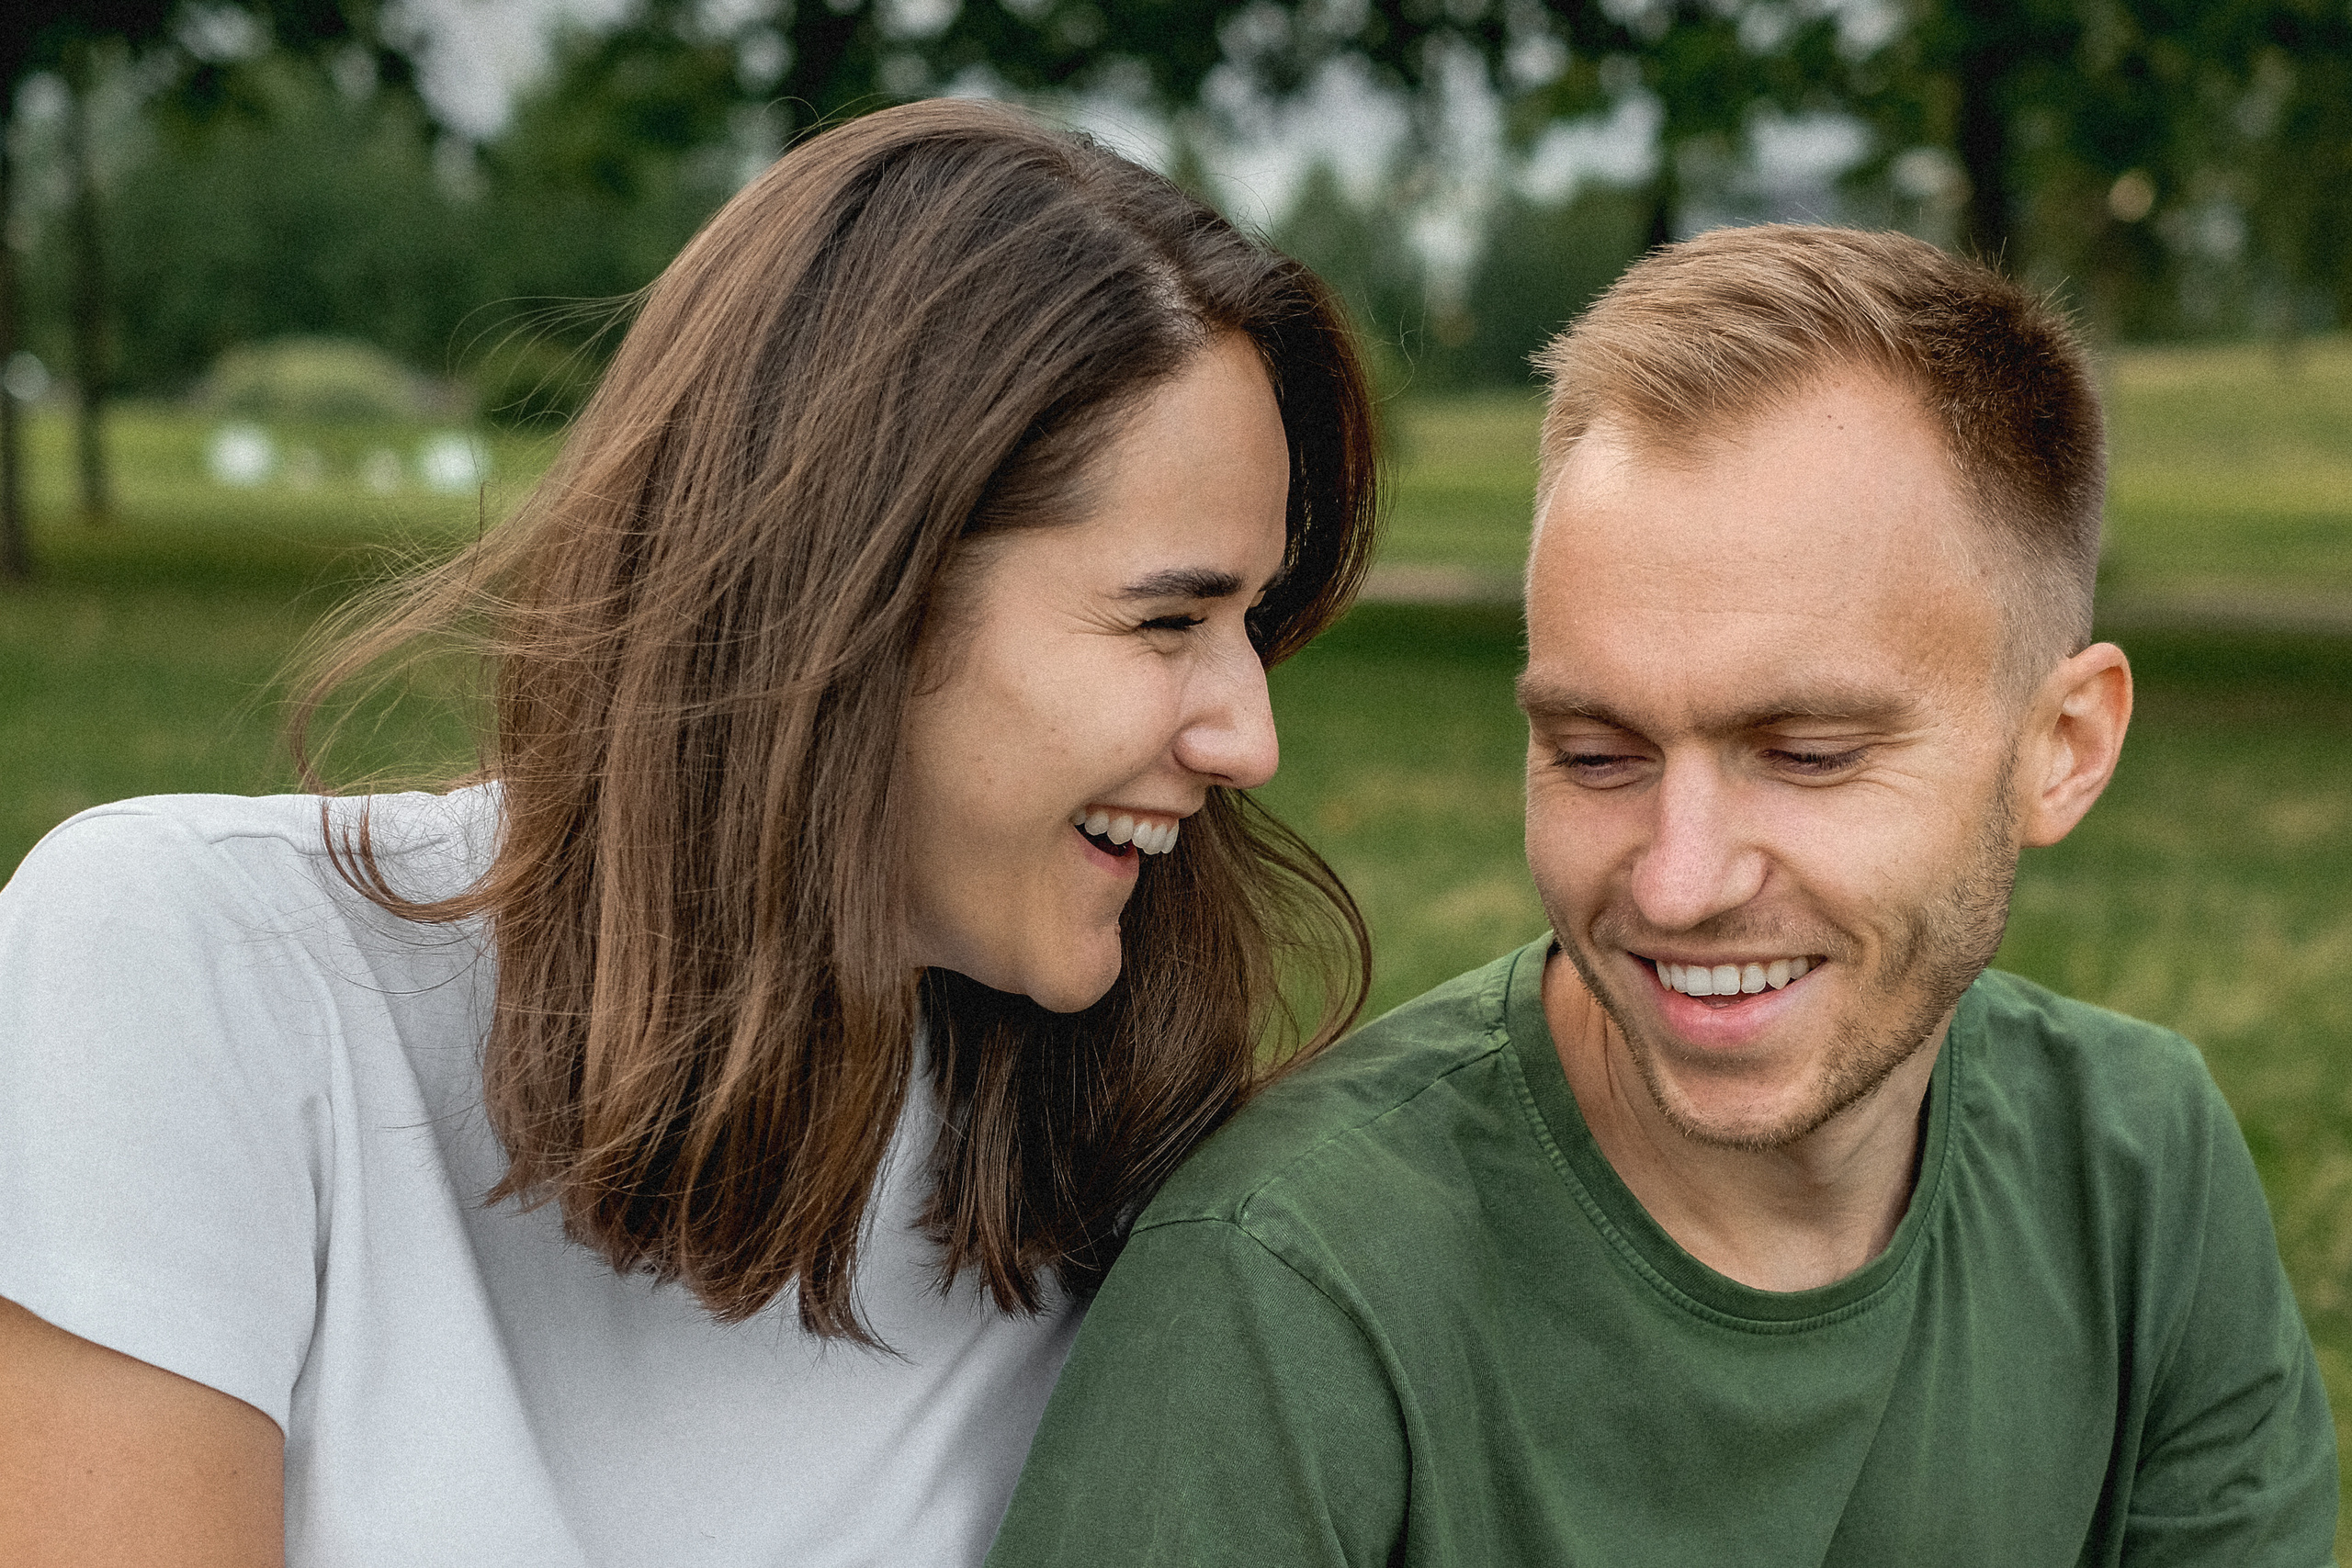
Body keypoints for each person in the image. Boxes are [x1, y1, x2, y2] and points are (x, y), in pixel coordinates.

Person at [0, 98, 1381, 1567]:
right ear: (857, 593)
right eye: (1167, 618)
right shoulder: (197, 970)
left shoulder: (1126, 1173)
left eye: (1253, 623)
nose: (1251, 738)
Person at [986, 225, 2339, 1565]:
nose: (1681, 882)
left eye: (1806, 756)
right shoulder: (1288, 1289)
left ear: (2066, 750)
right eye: (1596, 754)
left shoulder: (2139, 1169)